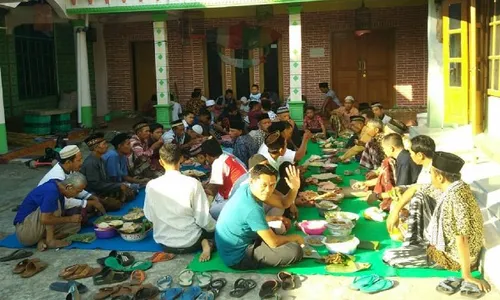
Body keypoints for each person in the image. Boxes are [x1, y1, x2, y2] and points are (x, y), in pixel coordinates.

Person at [383, 152, 491, 294]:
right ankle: (414, 244)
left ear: (440, 177)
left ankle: (422, 251)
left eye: (431, 174)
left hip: (454, 257)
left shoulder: (458, 199)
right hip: (447, 244)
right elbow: (415, 188)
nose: (430, 177)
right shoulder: (453, 187)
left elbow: (463, 238)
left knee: (389, 256)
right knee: (420, 196)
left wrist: (466, 275)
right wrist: (394, 212)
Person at [215, 164, 304, 270]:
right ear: (252, 181)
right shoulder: (251, 208)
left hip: (239, 241)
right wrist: (295, 238)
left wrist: (294, 189)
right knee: (295, 251)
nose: (268, 190)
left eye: (272, 185)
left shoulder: (248, 188)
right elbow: (274, 243)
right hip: (237, 256)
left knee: (281, 228)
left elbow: (283, 203)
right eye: (264, 185)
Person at [144, 144, 215, 262]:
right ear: (181, 159)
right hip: (191, 242)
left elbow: (149, 216)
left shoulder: (151, 185)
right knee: (211, 229)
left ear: (161, 162)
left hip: (165, 243)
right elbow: (203, 218)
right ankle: (206, 243)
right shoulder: (192, 183)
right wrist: (217, 228)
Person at [386, 135, 439, 245]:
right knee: (397, 201)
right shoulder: (426, 166)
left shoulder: (433, 172)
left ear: (420, 155)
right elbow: (417, 185)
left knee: (397, 207)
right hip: (423, 208)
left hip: (431, 215)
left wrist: (395, 212)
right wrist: (402, 188)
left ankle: (415, 238)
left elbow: (417, 189)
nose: (410, 155)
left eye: (411, 153)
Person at [14, 173, 86, 250]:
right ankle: (50, 241)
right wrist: (70, 219)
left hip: (39, 228)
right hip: (26, 231)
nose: (76, 195)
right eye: (77, 191)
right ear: (68, 187)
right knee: (55, 204)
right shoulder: (52, 190)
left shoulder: (59, 185)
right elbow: (45, 219)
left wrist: (72, 219)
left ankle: (44, 241)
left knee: (75, 225)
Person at [38, 145, 105, 216]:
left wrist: (91, 197)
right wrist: (89, 203)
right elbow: (65, 202)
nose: (81, 163)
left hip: (66, 199)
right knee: (80, 211)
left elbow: (76, 188)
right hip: (46, 209)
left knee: (94, 197)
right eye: (78, 160)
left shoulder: (69, 169)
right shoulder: (57, 177)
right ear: (68, 162)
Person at [80, 133, 133, 211]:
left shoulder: (101, 159)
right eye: (104, 144)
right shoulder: (91, 163)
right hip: (93, 193)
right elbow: (95, 185)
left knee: (129, 192)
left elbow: (106, 180)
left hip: (102, 189)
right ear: (96, 148)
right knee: (115, 204)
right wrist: (118, 186)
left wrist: (119, 186)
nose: (107, 146)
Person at [202, 138, 247, 219]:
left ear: (207, 156)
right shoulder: (227, 155)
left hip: (236, 200)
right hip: (243, 192)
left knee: (210, 211)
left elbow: (212, 190)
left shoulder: (218, 163)